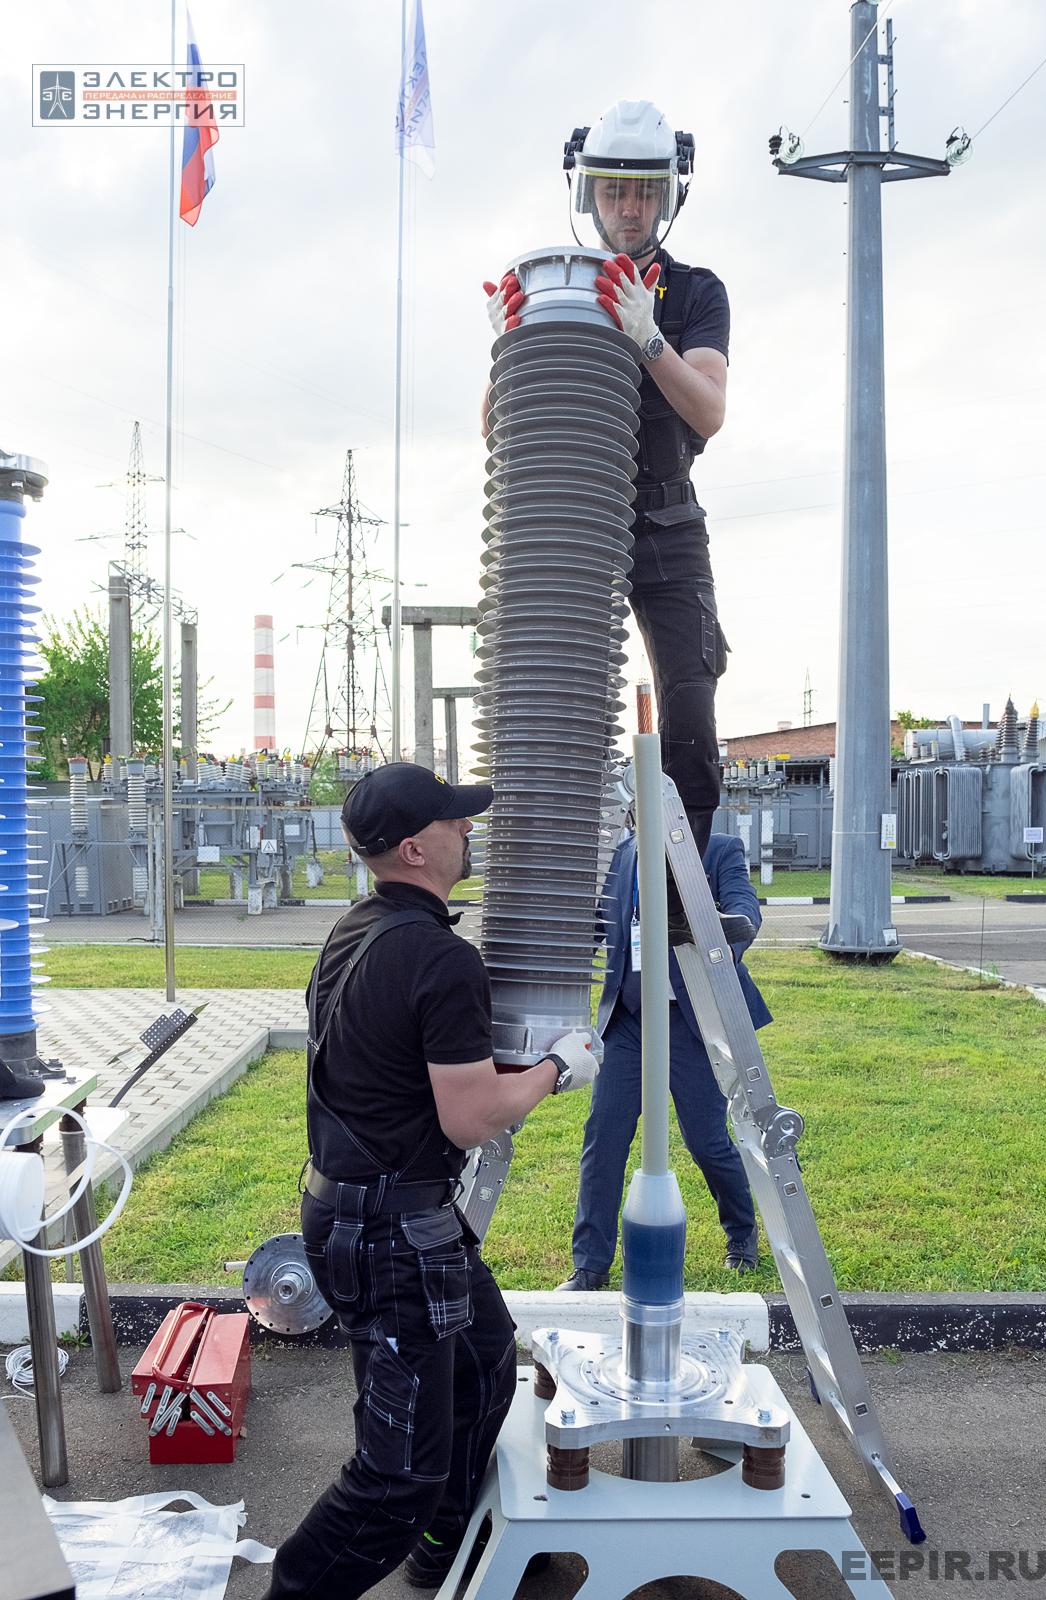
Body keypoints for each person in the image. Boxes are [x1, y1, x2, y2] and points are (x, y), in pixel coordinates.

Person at [263, 762, 598, 1599]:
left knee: (484, 1358)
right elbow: (473, 1116)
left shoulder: (357, 929)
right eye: (453, 821)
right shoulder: (439, 958)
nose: (467, 830)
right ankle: (299, 1588)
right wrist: (559, 1066)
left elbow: (404, 1074)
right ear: (415, 848)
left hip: (360, 1209)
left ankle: (444, 1546)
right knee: (394, 1477)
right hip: (393, 1233)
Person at [483, 99, 732, 929]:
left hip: (664, 524)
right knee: (551, 706)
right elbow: (495, 428)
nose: (628, 210)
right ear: (588, 195)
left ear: (667, 197)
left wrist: (647, 336)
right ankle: (565, 894)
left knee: (689, 710)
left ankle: (676, 907)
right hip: (574, 523)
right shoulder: (555, 290)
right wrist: (507, 346)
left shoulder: (695, 293)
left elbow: (707, 411)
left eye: (643, 193)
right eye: (613, 193)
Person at [558, 827, 771, 1291]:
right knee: (604, 1138)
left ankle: (742, 1238)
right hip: (629, 1020)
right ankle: (590, 1265)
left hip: (691, 1019)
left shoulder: (717, 848)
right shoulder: (621, 853)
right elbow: (599, 926)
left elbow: (743, 909)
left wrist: (726, 934)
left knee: (707, 1141)